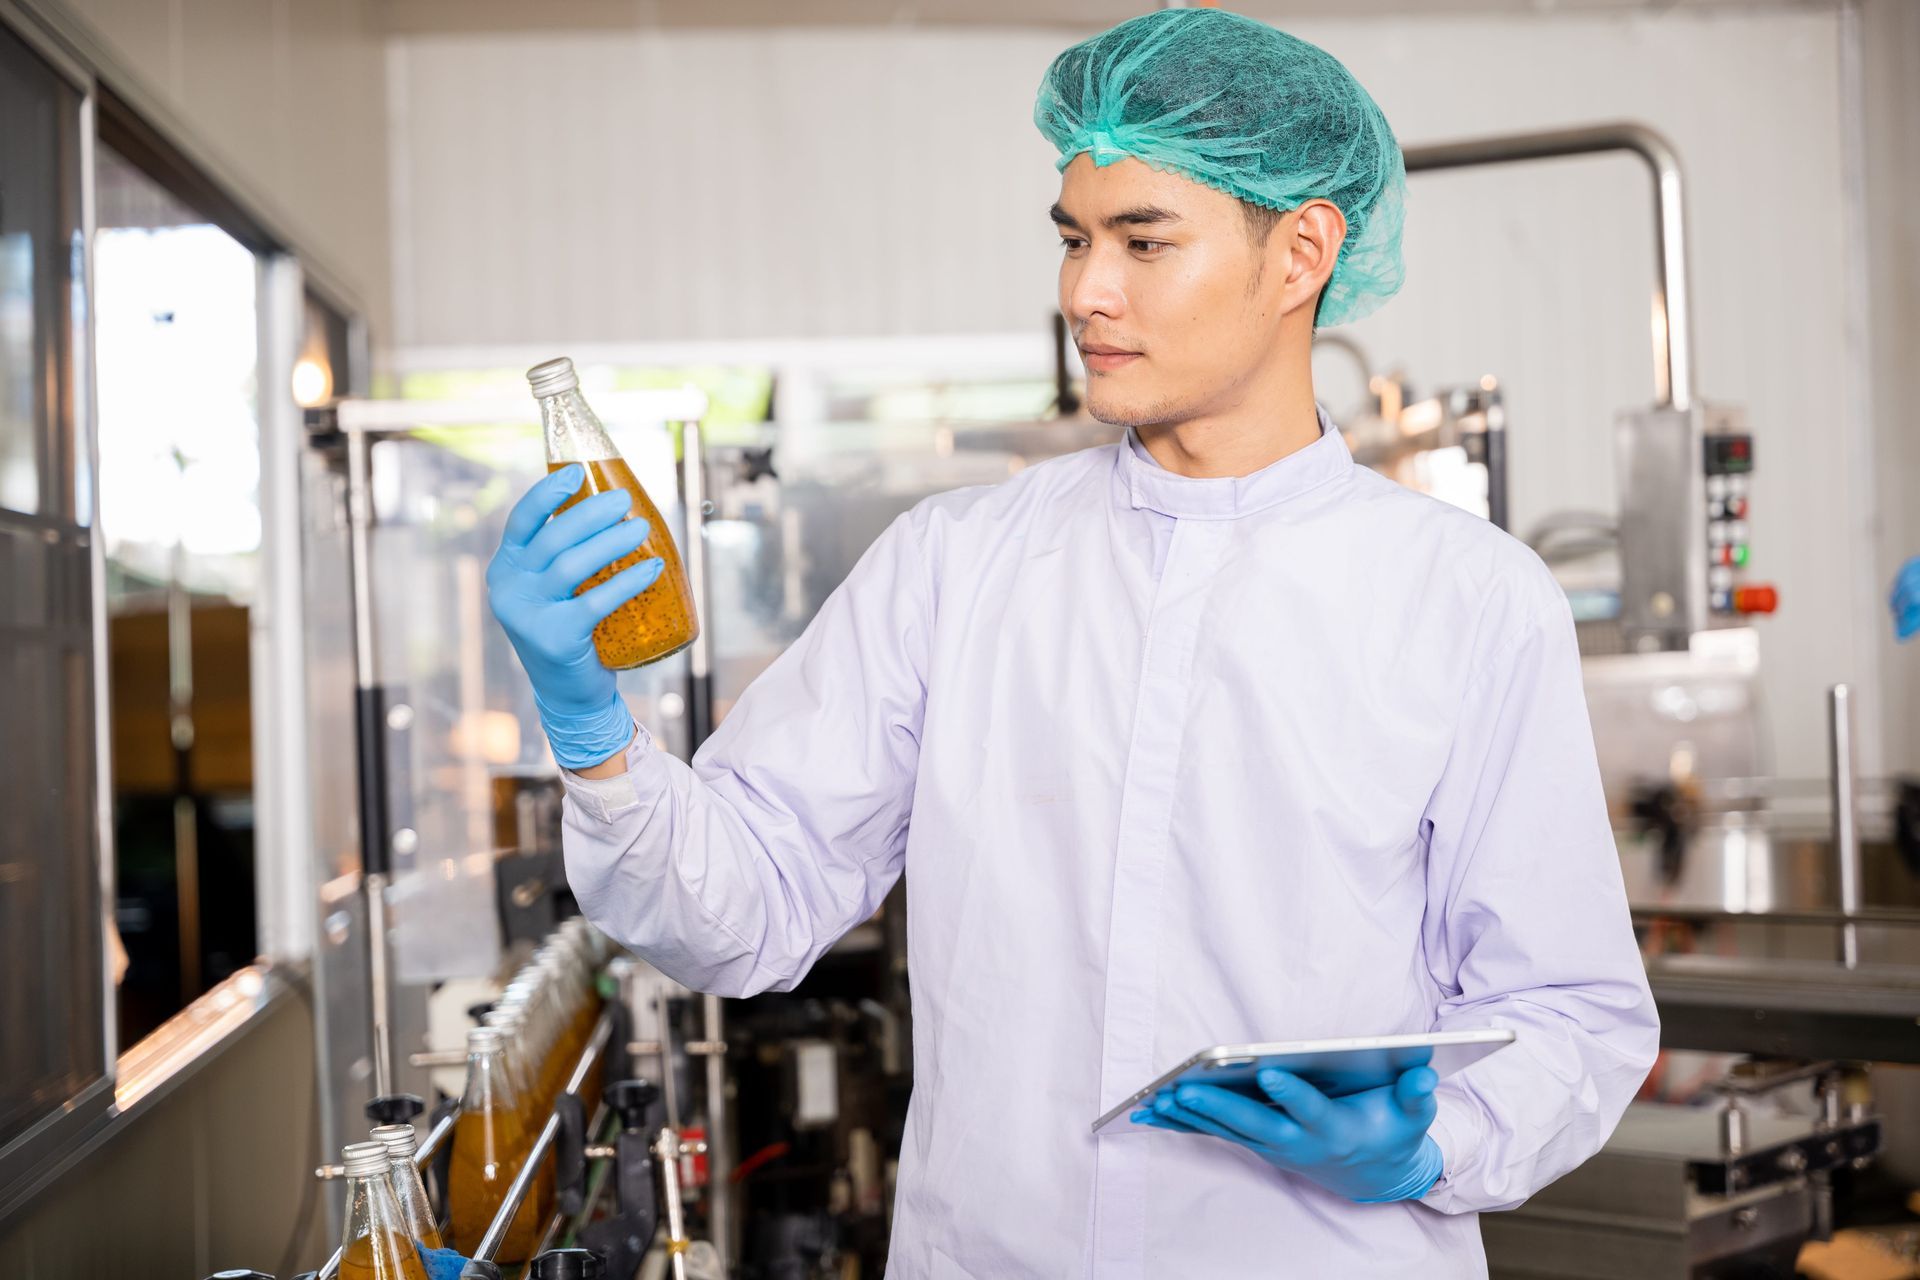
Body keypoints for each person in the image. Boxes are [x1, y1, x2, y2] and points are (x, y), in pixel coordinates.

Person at [486, 10, 1658, 1276]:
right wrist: (590, 721)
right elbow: (746, 909)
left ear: (1301, 251)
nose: (1084, 291)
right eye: (1075, 238)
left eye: (1144, 241)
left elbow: (1570, 1010)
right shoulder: (958, 564)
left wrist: (1437, 1141)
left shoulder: (1467, 599)